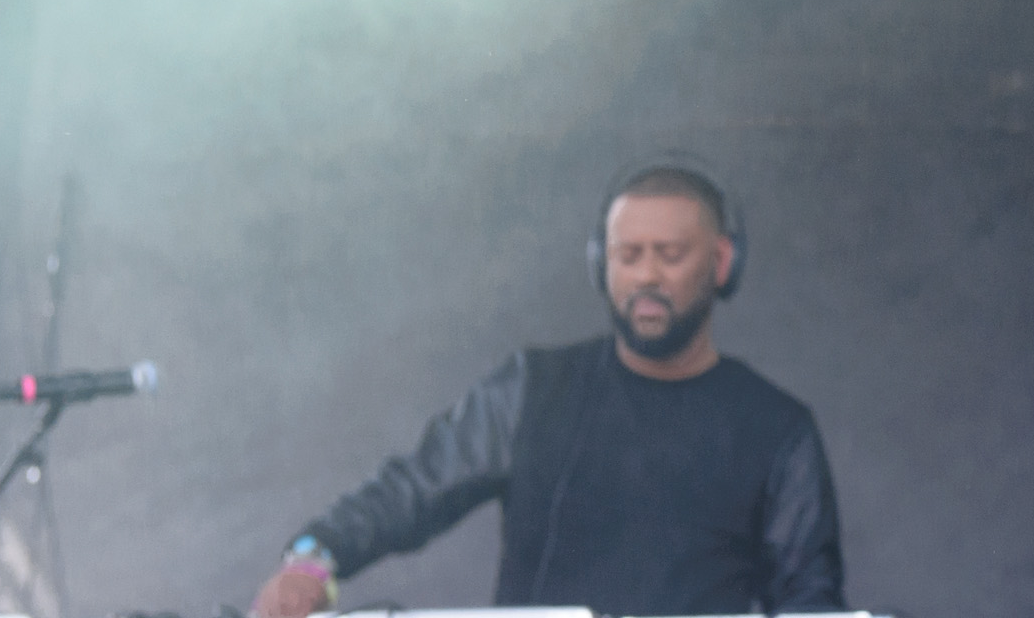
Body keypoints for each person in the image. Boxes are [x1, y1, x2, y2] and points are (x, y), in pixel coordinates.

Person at [247, 165, 844, 618]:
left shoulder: (777, 428)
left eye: (669, 255)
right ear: (599, 266)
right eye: (628, 256)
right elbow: (410, 492)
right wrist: (311, 556)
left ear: (721, 263)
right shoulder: (534, 390)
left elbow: (811, 599)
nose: (646, 276)